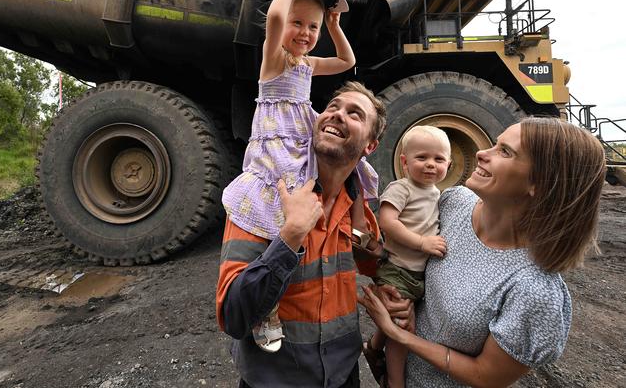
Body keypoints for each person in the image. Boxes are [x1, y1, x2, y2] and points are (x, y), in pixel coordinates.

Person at [359, 117, 606, 387]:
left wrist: (401, 335)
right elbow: (412, 263)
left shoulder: (535, 290)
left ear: (540, 183)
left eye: (505, 151)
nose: (480, 153)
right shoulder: (454, 202)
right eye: (496, 144)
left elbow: (486, 376)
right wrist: (401, 302)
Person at [221, 0, 379, 354]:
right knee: (279, 219)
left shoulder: (307, 65)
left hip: (301, 151)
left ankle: (360, 235)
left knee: (353, 179)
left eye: (312, 28)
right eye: (298, 24)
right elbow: (275, 18)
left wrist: (333, 23)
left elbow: (346, 61)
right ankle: (265, 307)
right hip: (277, 157)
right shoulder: (273, 61)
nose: (305, 34)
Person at [216, 82, 408, 388]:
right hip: (274, 381)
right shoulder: (263, 199)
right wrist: (290, 237)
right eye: (333, 107)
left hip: (344, 375)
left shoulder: (359, 210)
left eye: (354, 114)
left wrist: (390, 294)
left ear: (370, 146)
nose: (337, 115)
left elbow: (377, 269)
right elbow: (233, 315)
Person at [363, 126, 451, 388]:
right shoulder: (402, 188)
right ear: (404, 162)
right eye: (421, 158)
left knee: (396, 321)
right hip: (398, 270)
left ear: (449, 163)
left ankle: (373, 347)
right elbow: (387, 223)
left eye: (438, 159)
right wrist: (422, 242)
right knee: (402, 329)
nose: (430, 165)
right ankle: (395, 381)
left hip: (416, 273)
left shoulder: (437, 194)